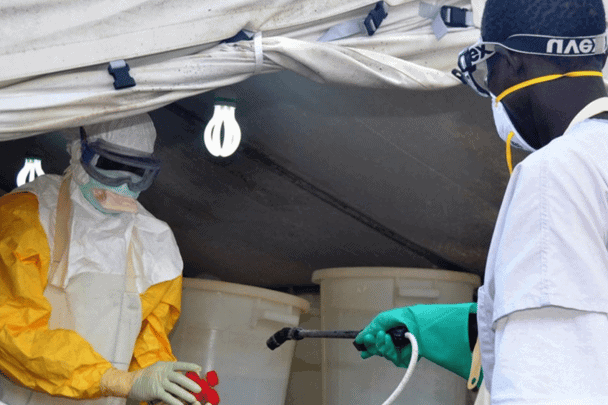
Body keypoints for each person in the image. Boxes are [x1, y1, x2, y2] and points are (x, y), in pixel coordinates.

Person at [356, 0, 608, 403]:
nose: (492, 85)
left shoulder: (555, 173)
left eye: (488, 67)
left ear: (511, 63)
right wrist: (459, 327)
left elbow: (547, 379)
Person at [0, 114, 204, 405]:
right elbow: (11, 331)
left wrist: (170, 390)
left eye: (137, 171)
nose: (124, 183)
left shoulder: (155, 244)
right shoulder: (29, 216)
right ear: (78, 151)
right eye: (109, 165)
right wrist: (115, 381)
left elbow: (148, 348)